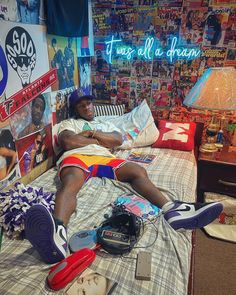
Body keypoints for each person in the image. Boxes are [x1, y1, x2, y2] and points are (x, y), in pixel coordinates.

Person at [24, 90, 223, 264]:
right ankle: (58, 232)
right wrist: (98, 139)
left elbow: (117, 140)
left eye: (88, 103)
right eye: (81, 105)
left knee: (137, 171)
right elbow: (68, 142)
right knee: (70, 183)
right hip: (76, 157)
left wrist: (91, 133)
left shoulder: (106, 121)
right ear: (76, 110)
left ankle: (172, 210)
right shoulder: (69, 123)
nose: (86, 108)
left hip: (105, 158)